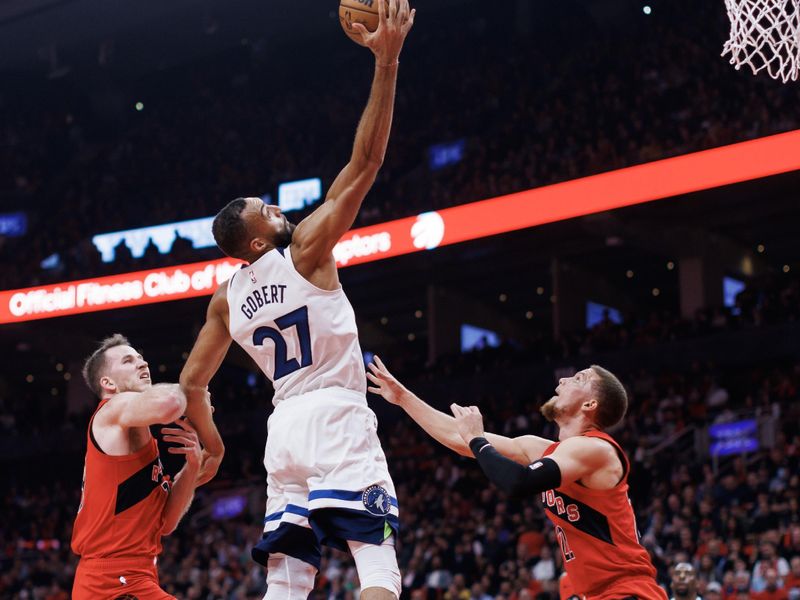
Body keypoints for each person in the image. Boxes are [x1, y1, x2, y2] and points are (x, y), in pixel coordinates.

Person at [178, 2, 415, 599]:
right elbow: (367, 162)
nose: (278, 208)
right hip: (337, 412)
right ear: (259, 239)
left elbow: (191, 384)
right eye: (268, 209)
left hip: (281, 430)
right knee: (376, 555)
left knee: (286, 576)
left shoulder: (226, 299)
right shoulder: (305, 250)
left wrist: (211, 442)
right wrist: (386, 61)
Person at [367, 358, 667, 600]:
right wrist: (404, 398)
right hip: (596, 594)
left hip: (628, 591)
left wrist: (477, 440)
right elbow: (460, 439)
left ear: (590, 405)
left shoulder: (595, 449)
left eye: (579, 379)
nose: (562, 380)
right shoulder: (545, 449)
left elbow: (517, 482)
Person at [71, 334, 202, 600]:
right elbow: (169, 403)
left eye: (142, 359)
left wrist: (192, 467)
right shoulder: (112, 409)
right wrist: (195, 391)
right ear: (108, 383)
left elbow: (167, 522)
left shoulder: (140, 438)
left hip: (132, 576)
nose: (143, 365)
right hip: (110, 581)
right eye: (129, 361)